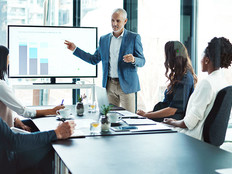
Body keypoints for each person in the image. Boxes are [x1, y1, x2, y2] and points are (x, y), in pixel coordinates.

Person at [64, 8, 145, 113]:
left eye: (118, 21)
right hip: (109, 85)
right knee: (110, 118)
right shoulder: (104, 39)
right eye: (112, 20)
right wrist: (75, 49)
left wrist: (134, 59)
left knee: (129, 118)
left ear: (125, 21)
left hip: (127, 85)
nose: (114, 23)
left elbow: (142, 61)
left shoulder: (134, 38)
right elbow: (94, 59)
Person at [164, 37, 232, 140]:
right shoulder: (223, 82)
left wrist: (172, 122)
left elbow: (189, 123)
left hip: (192, 138)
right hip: (204, 140)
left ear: (206, 60)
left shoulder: (207, 83)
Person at [0, 45, 64, 131]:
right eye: (8, 58)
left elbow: (8, 106)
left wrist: (16, 119)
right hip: (6, 136)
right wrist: (52, 111)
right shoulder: (1, 85)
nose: (9, 62)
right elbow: (24, 111)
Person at [137, 41, 197, 122]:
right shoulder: (180, 75)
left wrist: (146, 115)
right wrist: (145, 114)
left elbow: (172, 110)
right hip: (165, 118)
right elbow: (167, 105)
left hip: (170, 120)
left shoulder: (185, 78)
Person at [0, 117, 75, 174]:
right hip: (8, 164)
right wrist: (56, 133)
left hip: (8, 157)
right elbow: (13, 142)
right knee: (49, 145)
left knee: (48, 140)